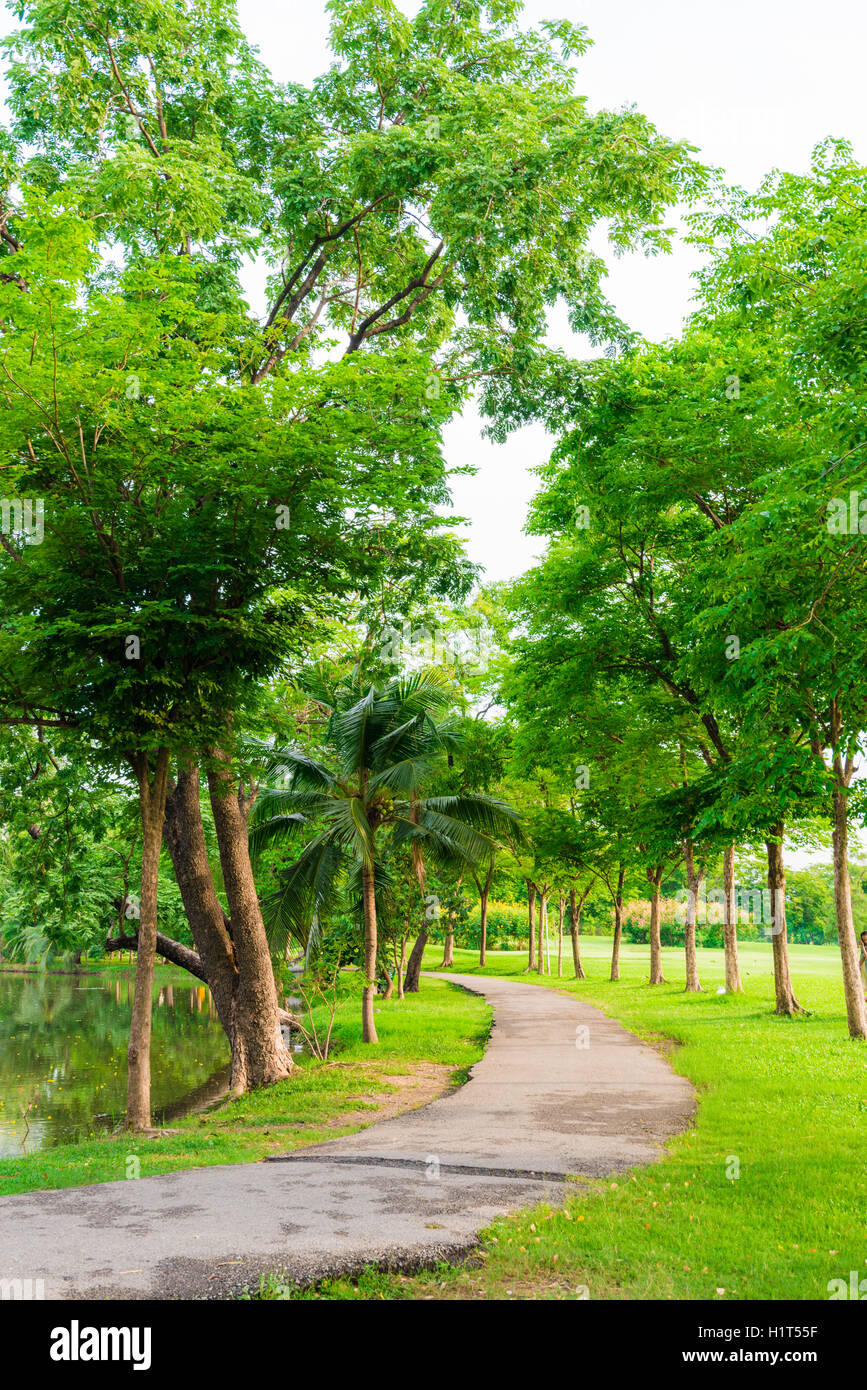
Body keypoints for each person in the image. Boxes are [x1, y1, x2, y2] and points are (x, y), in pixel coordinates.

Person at [860, 931, 867, 999]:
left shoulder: (864, 948)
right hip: (864, 972)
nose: (865, 941)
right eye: (864, 940)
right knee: (860, 994)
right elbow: (860, 961)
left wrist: (863, 947)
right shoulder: (864, 947)